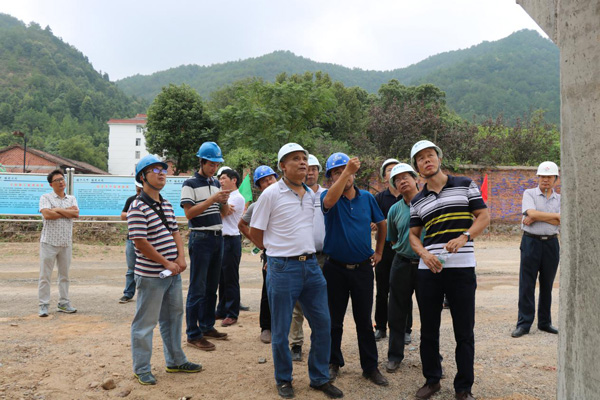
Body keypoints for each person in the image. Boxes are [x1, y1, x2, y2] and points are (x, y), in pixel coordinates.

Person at [250, 143, 343, 399]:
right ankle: (283, 379)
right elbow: (255, 232)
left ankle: (319, 378)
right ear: (282, 166)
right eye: (295, 159)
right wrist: (272, 252)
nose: (302, 162)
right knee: (280, 330)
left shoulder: (311, 194)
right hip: (282, 268)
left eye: (304, 158)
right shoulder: (271, 194)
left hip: (311, 266)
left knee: (323, 324)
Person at [408, 140, 490, 400]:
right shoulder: (418, 200)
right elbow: (413, 235)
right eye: (420, 158)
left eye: (430, 155)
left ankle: (463, 388)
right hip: (429, 271)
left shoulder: (464, 184)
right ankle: (432, 380)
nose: (426, 160)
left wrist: (465, 236)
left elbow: (483, 216)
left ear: (439, 158)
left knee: (464, 331)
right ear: (417, 167)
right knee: (428, 329)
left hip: (462, 268)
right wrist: (424, 254)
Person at [127, 155, 202, 385]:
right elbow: (140, 242)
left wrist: (180, 257)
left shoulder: (166, 204)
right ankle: (142, 368)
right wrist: (166, 262)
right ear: (142, 177)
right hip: (151, 275)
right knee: (145, 323)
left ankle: (176, 361)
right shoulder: (137, 207)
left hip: (172, 274)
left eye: (163, 170)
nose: (162, 173)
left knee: (173, 318)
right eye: (155, 170)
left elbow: (175, 231)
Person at [321, 152, 388, 387]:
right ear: (331, 178)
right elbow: (328, 203)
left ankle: (370, 367)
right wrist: (346, 171)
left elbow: (382, 224)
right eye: (336, 172)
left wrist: (379, 251)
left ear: (355, 174)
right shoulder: (328, 196)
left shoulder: (367, 198)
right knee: (334, 320)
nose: (344, 175)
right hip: (335, 269)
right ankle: (333, 362)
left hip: (362, 269)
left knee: (364, 320)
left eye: (346, 170)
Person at [181, 141, 230, 351]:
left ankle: (207, 326)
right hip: (200, 237)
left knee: (212, 287)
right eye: (211, 164)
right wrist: (212, 199)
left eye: (216, 164)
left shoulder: (216, 183)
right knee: (197, 288)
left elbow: (224, 213)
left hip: (218, 237)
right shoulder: (189, 184)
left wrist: (223, 200)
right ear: (201, 161)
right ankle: (193, 334)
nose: (214, 168)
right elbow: (189, 213)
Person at [511, 161, 561, 338]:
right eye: (542, 176)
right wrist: (553, 216)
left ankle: (545, 323)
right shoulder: (529, 193)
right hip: (530, 242)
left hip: (551, 244)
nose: (545, 180)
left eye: (549, 177)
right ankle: (524, 324)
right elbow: (530, 213)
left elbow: (561, 219)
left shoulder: (560, 199)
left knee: (547, 284)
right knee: (527, 284)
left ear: (556, 179)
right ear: (538, 177)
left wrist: (537, 216)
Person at [289, 154, 326, 362]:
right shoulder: (293, 194)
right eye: (307, 168)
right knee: (297, 305)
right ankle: (296, 344)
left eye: (314, 169)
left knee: (321, 305)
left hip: (324, 257)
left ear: (318, 172)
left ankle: (321, 345)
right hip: (298, 257)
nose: (310, 172)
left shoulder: (327, 195)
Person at [385, 163, 421, 373]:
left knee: (430, 312)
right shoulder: (394, 210)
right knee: (396, 311)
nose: (402, 181)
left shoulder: (428, 203)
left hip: (426, 264)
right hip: (401, 263)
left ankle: (433, 358)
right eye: (397, 180)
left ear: (416, 179)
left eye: (406, 177)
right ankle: (394, 356)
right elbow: (393, 239)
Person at [238, 165, 278, 344]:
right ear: (259, 186)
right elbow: (241, 225)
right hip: (270, 254)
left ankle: (284, 328)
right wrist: (259, 244)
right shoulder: (256, 206)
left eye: (270, 179)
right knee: (268, 290)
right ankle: (266, 327)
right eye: (264, 181)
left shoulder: (287, 200)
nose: (269, 182)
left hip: (288, 252)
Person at [38, 169, 79, 317]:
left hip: (65, 243)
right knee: (45, 276)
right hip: (49, 242)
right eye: (57, 180)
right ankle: (43, 305)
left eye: (62, 179)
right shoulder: (45, 197)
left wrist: (58, 209)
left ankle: (64, 303)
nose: (61, 182)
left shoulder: (71, 198)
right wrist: (66, 211)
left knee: (64, 276)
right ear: (51, 184)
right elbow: (47, 214)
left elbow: (76, 214)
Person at [373, 158, 403, 342]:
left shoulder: (409, 196)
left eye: (396, 169)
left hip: (404, 249)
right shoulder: (379, 198)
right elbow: (372, 221)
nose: (392, 172)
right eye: (389, 170)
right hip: (384, 249)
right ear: (385, 177)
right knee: (382, 290)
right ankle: (380, 327)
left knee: (402, 291)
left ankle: (404, 329)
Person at [216, 167, 245, 327]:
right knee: (221, 277)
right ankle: (221, 310)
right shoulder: (223, 196)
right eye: (220, 178)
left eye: (224, 178)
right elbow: (220, 210)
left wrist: (219, 207)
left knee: (231, 278)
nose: (221, 181)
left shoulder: (237, 197)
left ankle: (232, 313)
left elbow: (221, 213)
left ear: (234, 180)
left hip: (231, 240)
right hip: (221, 240)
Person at [119, 181, 143, 303]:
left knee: (148, 268)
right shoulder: (131, 200)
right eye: (137, 186)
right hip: (131, 238)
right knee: (131, 268)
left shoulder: (153, 200)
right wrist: (135, 213)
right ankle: (128, 293)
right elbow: (122, 215)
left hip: (148, 239)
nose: (139, 188)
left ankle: (145, 293)